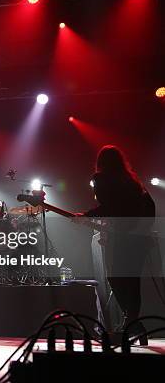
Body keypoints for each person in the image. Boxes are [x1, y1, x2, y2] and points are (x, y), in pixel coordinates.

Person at [74, 145, 155, 339]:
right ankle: (133, 323)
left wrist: (86, 215)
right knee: (132, 281)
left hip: (125, 239)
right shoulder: (131, 181)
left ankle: (133, 322)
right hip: (139, 239)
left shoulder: (101, 179)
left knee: (116, 278)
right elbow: (148, 205)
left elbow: (109, 207)